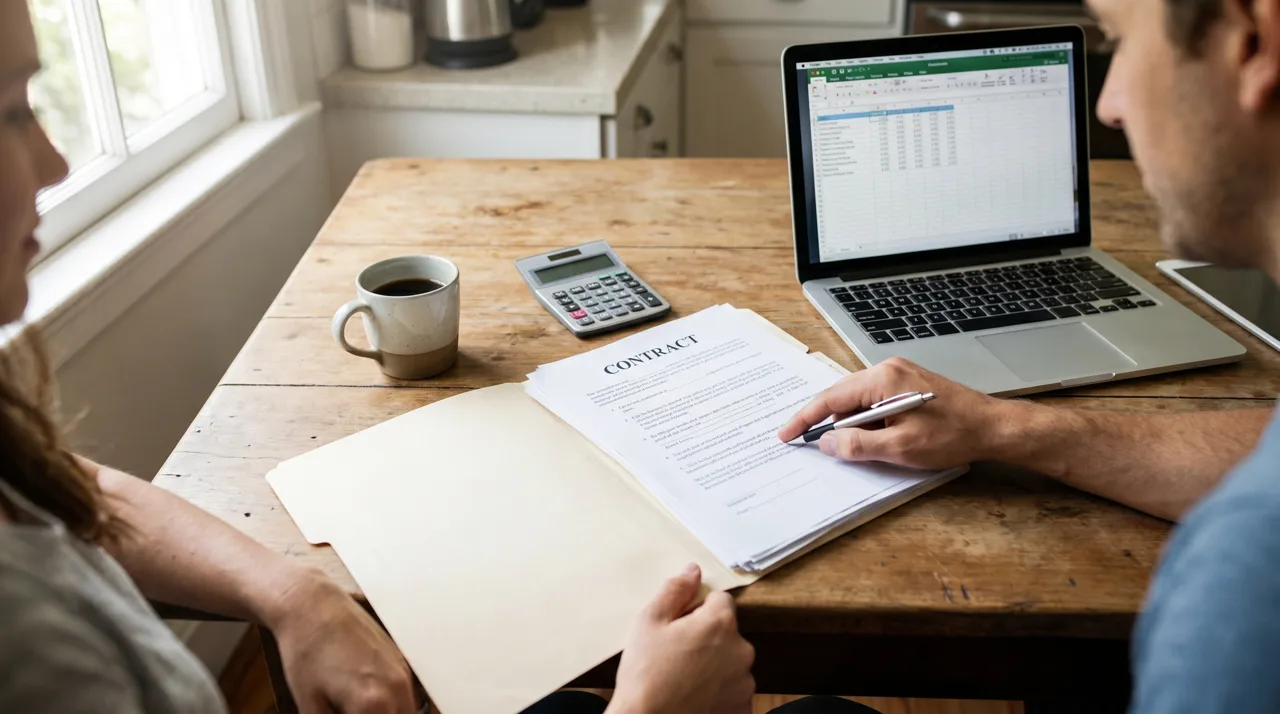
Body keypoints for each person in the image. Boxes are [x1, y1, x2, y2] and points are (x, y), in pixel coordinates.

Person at [780, 0, 1280, 711]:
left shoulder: (1248, 576)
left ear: (1253, 39)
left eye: (1121, 42)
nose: (1107, 107)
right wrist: (1003, 427)